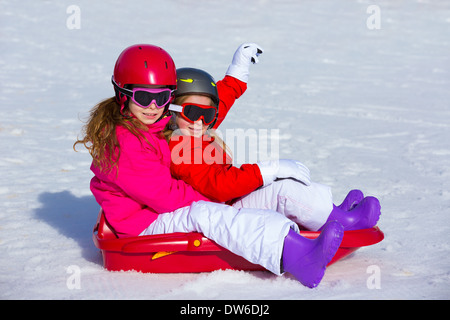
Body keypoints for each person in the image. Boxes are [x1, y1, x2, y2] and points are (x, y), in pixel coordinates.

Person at [74, 43, 346, 288]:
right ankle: (296, 254)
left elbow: (202, 110)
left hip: (158, 210)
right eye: (144, 97)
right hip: (142, 223)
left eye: (163, 96)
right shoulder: (126, 143)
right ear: (122, 94)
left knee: (260, 195)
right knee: (204, 215)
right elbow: (165, 196)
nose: (154, 106)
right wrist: (215, 201)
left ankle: (335, 217)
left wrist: (237, 74)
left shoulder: (158, 123)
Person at [167, 44, 382, 233]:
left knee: (283, 182)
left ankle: (331, 212)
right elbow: (219, 185)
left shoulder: (192, 128)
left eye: (209, 114)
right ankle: (342, 222)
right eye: (193, 113)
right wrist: (267, 170)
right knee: (283, 191)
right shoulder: (180, 147)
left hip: (228, 201)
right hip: (220, 212)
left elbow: (219, 102)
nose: (202, 121)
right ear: (171, 111)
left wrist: (237, 71)